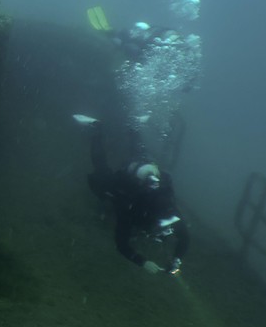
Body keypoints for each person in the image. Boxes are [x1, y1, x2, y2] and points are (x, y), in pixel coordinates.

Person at [73, 114, 188, 275]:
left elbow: (185, 238)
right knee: (101, 169)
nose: (164, 233)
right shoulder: (130, 210)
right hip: (126, 185)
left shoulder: (170, 212)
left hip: (147, 176)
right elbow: (121, 244)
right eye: (162, 230)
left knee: (140, 155)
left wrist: (177, 260)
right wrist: (142, 262)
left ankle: (133, 127)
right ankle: (96, 130)